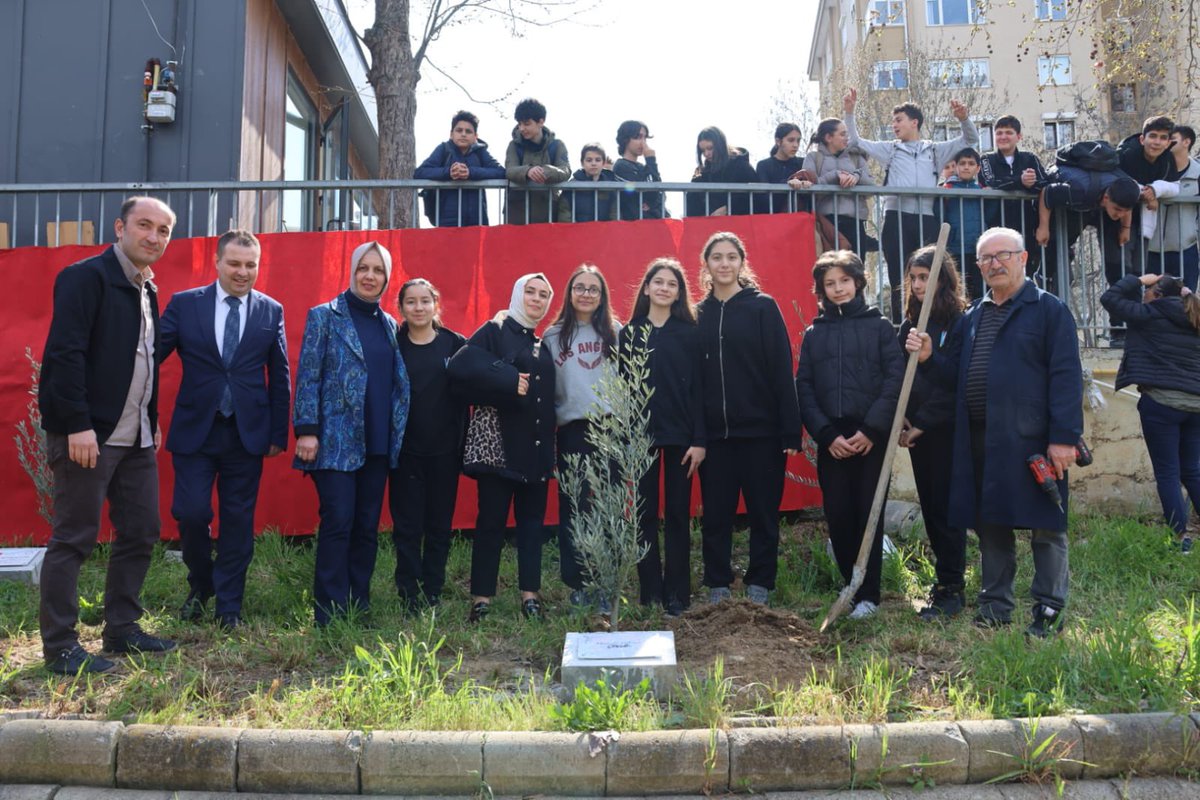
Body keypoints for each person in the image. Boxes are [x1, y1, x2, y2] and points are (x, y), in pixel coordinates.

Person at [906, 227, 1083, 637]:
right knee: (991, 524)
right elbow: (956, 376)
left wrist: (1063, 438)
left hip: (1034, 442)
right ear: (978, 267)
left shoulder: (1048, 310)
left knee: (1047, 525)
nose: (994, 264)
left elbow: (1066, 377)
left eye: (1003, 255)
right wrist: (932, 358)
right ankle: (995, 605)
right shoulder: (974, 316)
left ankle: (1049, 608)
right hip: (981, 440)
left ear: (1023, 258)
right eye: (986, 259)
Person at [37, 196, 178, 674]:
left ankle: (121, 629)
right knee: (74, 538)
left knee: (141, 531)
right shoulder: (85, 278)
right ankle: (60, 647)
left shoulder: (147, 288)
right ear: (120, 227)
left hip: (135, 438)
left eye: (163, 230)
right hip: (87, 435)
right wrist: (77, 424)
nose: (153, 237)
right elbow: (65, 356)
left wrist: (150, 419)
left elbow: (143, 362)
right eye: (144, 225)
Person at [160, 229, 290, 630]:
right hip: (196, 431)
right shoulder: (185, 305)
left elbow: (280, 375)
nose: (243, 272)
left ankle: (228, 606)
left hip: (246, 434)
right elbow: (150, 355)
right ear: (216, 262)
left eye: (251, 265)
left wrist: (277, 433)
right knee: (191, 513)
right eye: (234, 263)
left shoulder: (271, 310)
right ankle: (202, 584)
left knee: (238, 520)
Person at [293, 241, 410, 626]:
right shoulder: (324, 316)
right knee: (338, 522)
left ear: (387, 278)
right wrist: (307, 431)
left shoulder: (390, 324)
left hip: (377, 443)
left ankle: (358, 607)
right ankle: (328, 611)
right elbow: (309, 375)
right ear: (353, 270)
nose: (370, 276)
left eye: (378, 270)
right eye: (364, 267)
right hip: (335, 442)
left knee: (366, 528)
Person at [795, 250, 904, 620]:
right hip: (833, 439)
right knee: (838, 514)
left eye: (844, 281)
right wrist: (825, 434)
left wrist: (872, 429)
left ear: (858, 282)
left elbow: (895, 381)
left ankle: (870, 593)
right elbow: (805, 387)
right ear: (821, 290)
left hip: (870, 437)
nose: (838, 289)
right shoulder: (814, 333)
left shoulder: (880, 328)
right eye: (830, 283)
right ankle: (850, 585)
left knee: (866, 515)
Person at [696, 232, 802, 605]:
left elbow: (781, 368)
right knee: (716, 517)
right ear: (706, 265)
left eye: (731, 257)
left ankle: (761, 583)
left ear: (742, 263)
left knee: (763, 514)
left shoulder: (762, 307)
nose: (724, 264)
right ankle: (718, 583)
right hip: (715, 438)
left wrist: (791, 429)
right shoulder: (698, 313)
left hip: (762, 434)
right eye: (717, 258)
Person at [449, 274, 556, 622]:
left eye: (544, 295)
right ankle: (482, 598)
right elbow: (460, 368)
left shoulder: (542, 345)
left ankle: (530, 596)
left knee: (531, 524)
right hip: (498, 448)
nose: (537, 299)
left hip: (535, 449)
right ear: (516, 293)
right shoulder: (494, 329)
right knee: (491, 523)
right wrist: (509, 379)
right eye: (530, 291)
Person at [842, 88, 979, 322]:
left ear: (914, 122)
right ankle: (901, 326)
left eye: (898, 120)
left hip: (927, 219)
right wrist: (850, 112)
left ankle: (935, 323)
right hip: (896, 219)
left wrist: (964, 118)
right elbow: (855, 141)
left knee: (933, 273)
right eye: (893, 121)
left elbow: (970, 139)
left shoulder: (934, 149)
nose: (894, 125)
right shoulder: (891, 149)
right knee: (899, 277)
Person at [621, 259, 706, 616]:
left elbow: (700, 390)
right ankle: (650, 593)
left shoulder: (690, 332)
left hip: (682, 441)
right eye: (658, 282)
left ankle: (678, 595)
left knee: (676, 515)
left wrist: (700, 440)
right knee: (643, 517)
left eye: (672, 284)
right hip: (640, 441)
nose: (664, 288)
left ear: (679, 292)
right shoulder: (629, 333)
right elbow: (622, 391)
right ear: (646, 288)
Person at [1100, 273, 1200, 552]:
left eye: (1147, 291)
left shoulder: (1148, 313)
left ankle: (1181, 540)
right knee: (1192, 471)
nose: (1143, 295)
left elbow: (1109, 298)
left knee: (1168, 472)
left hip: (1162, 403)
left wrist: (1139, 279)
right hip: (1196, 405)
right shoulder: (1195, 314)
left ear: (1156, 293)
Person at [541, 265, 620, 611]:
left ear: (602, 297)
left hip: (610, 429)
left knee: (608, 509)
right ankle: (579, 584)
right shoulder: (552, 336)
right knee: (575, 508)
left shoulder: (616, 333)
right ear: (569, 293)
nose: (586, 294)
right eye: (580, 287)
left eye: (593, 289)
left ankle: (607, 582)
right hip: (573, 429)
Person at [897, 246, 968, 619]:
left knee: (947, 511)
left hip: (945, 433)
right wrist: (905, 419)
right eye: (913, 277)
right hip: (917, 434)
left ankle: (952, 587)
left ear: (943, 279)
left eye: (925, 276)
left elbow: (958, 381)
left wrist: (930, 358)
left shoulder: (961, 322)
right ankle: (944, 579)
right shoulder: (910, 324)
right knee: (931, 509)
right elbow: (900, 378)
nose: (917, 284)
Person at [389, 278, 467, 613]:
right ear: (401, 307)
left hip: (445, 451)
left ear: (436, 305)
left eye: (425, 301)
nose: (418, 308)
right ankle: (408, 590)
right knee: (407, 525)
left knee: (438, 524)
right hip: (405, 452)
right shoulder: (392, 344)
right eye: (411, 302)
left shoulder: (455, 344)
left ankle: (433, 588)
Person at [979, 115, 1052, 288]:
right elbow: (991, 183)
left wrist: (1031, 184)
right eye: (999, 133)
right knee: (997, 274)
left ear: (1019, 137)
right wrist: (1020, 182)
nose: (1003, 137)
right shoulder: (985, 160)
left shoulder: (1030, 158)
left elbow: (1045, 185)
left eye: (1008, 133)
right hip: (995, 227)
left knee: (1025, 273)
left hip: (1027, 227)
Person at [800, 117, 877, 260]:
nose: (846, 138)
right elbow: (810, 188)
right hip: (825, 223)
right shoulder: (813, 158)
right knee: (827, 267)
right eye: (842, 134)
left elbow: (872, 187)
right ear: (829, 137)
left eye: (846, 134)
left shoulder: (856, 158)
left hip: (855, 222)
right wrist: (835, 176)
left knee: (856, 269)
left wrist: (856, 177)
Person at [414, 110, 506, 227]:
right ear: (451, 134)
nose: (463, 134)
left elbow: (500, 172)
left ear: (475, 137)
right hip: (447, 221)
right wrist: (449, 172)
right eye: (459, 130)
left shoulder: (481, 152)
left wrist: (471, 172)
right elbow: (420, 172)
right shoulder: (443, 149)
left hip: (477, 221)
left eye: (468, 131)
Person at [1146, 125, 1199, 290]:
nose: (1165, 143)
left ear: (1186, 142)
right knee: (1150, 300)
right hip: (1152, 249)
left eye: (1171, 139)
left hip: (1185, 248)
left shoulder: (1198, 173)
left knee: (1186, 303)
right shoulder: (1155, 168)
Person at [504, 98, 570, 225]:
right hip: (517, 217)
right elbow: (509, 170)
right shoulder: (514, 146)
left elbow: (565, 170)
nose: (522, 128)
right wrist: (528, 171)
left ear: (541, 122)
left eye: (527, 124)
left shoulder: (557, 146)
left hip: (549, 216)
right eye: (519, 124)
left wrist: (546, 171)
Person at [941, 147, 986, 301]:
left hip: (977, 249)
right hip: (955, 248)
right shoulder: (947, 189)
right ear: (956, 166)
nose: (966, 167)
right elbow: (939, 214)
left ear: (978, 168)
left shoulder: (981, 190)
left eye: (971, 163)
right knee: (956, 291)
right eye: (963, 163)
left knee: (979, 290)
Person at [686, 127, 757, 217]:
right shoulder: (700, 172)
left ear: (720, 145)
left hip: (740, 224)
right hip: (709, 226)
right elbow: (691, 202)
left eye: (710, 148)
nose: (706, 154)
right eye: (702, 150)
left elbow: (756, 198)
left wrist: (729, 208)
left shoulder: (742, 166)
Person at [612, 120, 665, 220]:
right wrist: (650, 160)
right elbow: (649, 192)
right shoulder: (621, 166)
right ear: (626, 139)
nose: (643, 142)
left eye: (645, 138)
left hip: (651, 223)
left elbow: (660, 192)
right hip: (634, 225)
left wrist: (652, 204)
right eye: (638, 137)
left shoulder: (642, 167)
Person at [558, 144, 621, 223]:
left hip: (604, 234)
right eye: (589, 160)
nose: (593, 163)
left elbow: (614, 217)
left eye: (597, 160)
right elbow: (565, 218)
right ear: (582, 163)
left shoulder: (611, 187)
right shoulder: (571, 187)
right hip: (577, 234)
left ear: (603, 163)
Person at [754, 123, 806, 214]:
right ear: (778, 141)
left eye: (798, 141)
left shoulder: (802, 163)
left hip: (800, 222)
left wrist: (807, 183)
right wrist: (788, 183)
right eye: (791, 140)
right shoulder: (764, 165)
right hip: (773, 220)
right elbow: (764, 198)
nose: (796, 145)